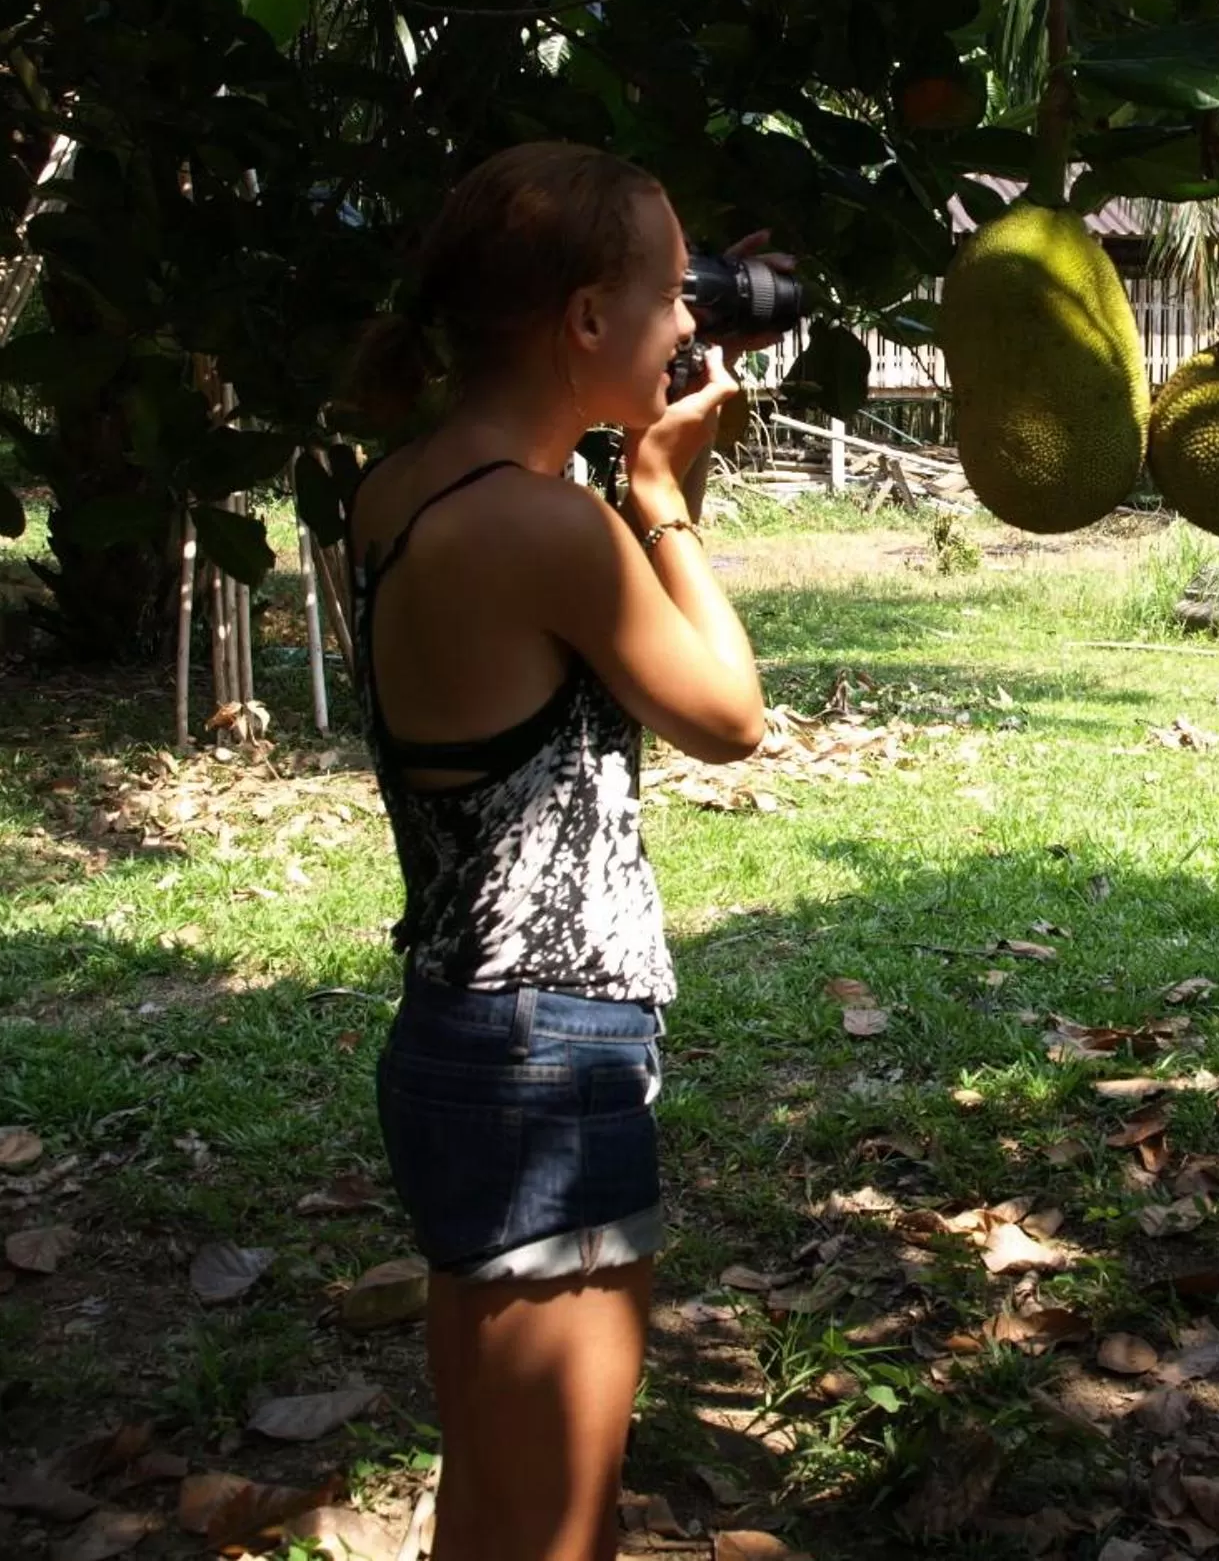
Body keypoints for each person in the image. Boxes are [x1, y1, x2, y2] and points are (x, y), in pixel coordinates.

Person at [343, 143, 770, 1561]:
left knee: (494, 1500)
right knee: (552, 1533)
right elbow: (729, 714)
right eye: (672, 293)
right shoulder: (551, 527)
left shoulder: (399, 489)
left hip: (459, 1033)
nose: (693, 323)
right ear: (586, 321)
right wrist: (660, 495)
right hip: (547, 1055)